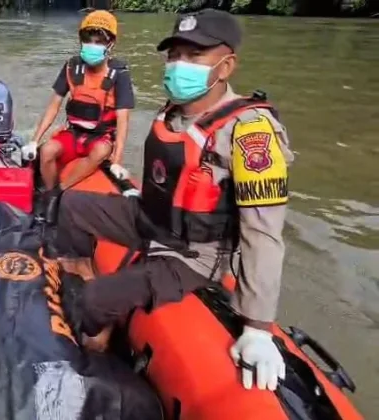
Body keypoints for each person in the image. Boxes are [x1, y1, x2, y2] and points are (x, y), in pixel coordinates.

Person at [54, 9, 293, 392]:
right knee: (72, 204)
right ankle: (84, 265)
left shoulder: (251, 133)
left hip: (193, 253)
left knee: (95, 298)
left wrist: (258, 327)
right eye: (174, 54)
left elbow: (263, 232)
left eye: (194, 55)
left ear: (226, 66)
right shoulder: (174, 111)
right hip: (151, 219)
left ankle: (95, 351)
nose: (179, 65)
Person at [23, 10, 135, 193]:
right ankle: (50, 192)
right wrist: (34, 141)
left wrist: (117, 160)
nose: (92, 46)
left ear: (111, 44)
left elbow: (123, 120)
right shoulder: (71, 67)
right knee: (47, 151)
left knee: (100, 151)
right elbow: (53, 106)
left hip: (101, 137)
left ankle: (59, 191)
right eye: (88, 40)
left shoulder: (119, 74)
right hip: (74, 133)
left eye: (99, 42)